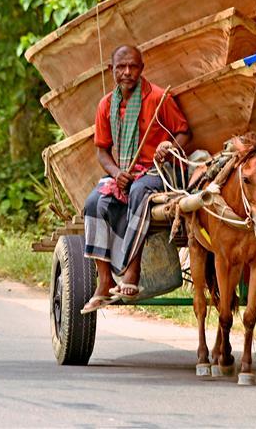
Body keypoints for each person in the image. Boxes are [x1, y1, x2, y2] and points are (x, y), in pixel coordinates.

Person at [80, 45, 191, 314]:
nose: (127, 72)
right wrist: (117, 173)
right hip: (123, 172)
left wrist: (168, 148)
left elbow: (184, 132)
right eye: (121, 67)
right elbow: (101, 150)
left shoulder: (157, 98)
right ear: (112, 70)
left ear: (141, 69)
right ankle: (105, 280)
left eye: (133, 67)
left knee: (140, 191)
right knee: (93, 203)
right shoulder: (106, 104)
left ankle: (132, 271)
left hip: (157, 172)